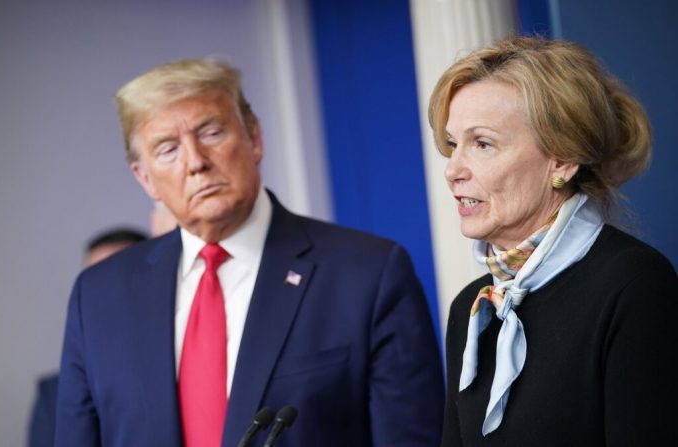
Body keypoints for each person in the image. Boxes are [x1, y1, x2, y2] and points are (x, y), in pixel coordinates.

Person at [54, 58, 444, 447]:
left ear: (254, 138)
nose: (196, 162)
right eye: (168, 149)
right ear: (145, 178)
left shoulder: (367, 274)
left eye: (210, 132)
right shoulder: (99, 296)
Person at [428, 36, 678, 446]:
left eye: (482, 143)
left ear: (561, 160)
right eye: (454, 144)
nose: (452, 169)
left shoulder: (635, 286)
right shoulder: (472, 309)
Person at [28, 228, 149, 447]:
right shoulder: (54, 395)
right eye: (96, 282)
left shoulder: (186, 373)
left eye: (119, 281)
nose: (107, 298)